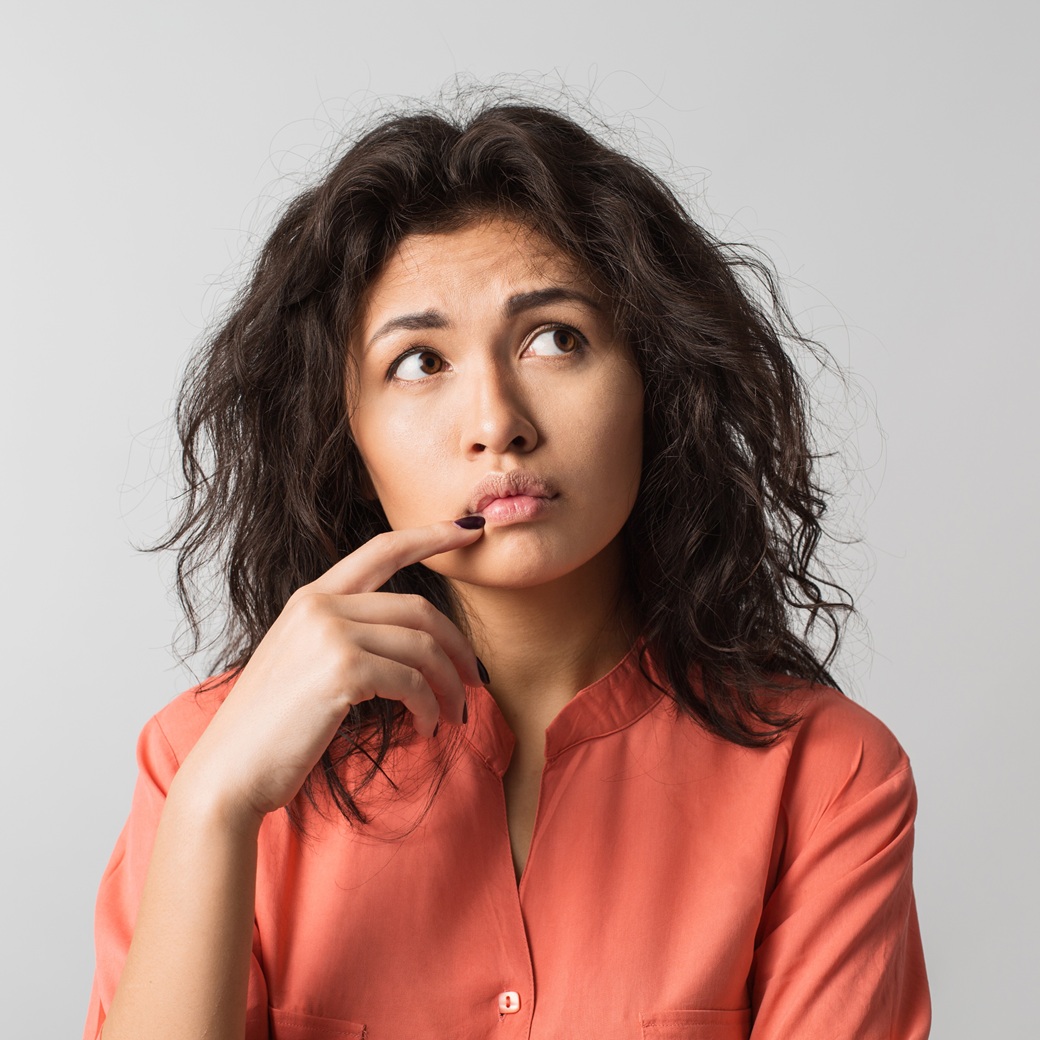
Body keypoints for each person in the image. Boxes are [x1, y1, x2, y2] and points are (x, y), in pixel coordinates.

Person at [84, 95, 931, 1040]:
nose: (498, 421)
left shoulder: (828, 776)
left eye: (555, 339)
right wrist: (217, 807)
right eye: (418, 360)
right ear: (342, 431)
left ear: (657, 380)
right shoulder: (199, 760)